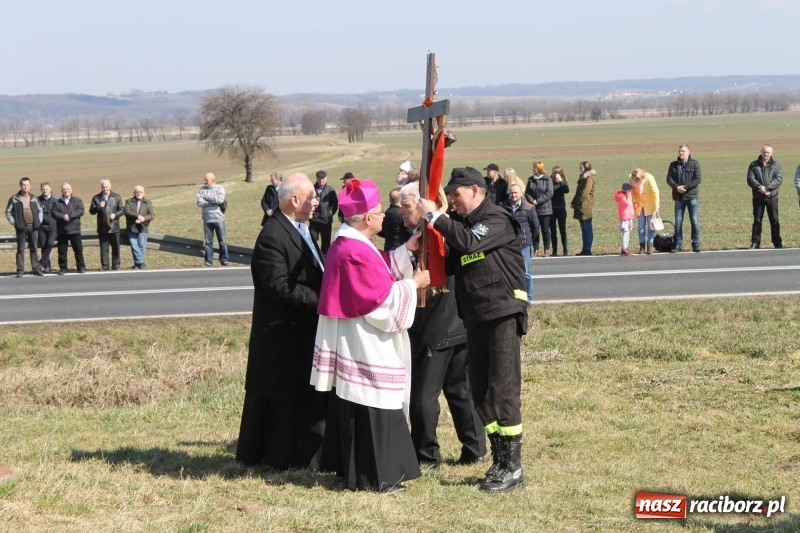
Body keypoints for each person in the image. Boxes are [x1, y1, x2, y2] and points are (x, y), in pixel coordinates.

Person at [310, 178, 430, 493]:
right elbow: (380, 300)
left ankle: (358, 472)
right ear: (365, 219)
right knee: (373, 403)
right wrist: (413, 285)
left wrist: (406, 250)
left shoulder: (350, 243)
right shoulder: (353, 249)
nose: (383, 217)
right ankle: (378, 476)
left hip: (357, 337)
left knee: (357, 404)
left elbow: (379, 271)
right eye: (378, 213)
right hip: (366, 341)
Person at [417, 167, 528, 493]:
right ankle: (498, 461)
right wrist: (422, 244)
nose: (451, 199)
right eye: (448, 194)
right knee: (481, 393)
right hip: (475, 317)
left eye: (456, 194)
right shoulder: (462, 225)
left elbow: (467, 242)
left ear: (477, 190)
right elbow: (448, 261)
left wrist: (437, 218)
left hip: (502, 313)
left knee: (502, 391)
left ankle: (513, 467)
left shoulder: (495, 219)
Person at [236, 173, 329, 470]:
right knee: (284, 400)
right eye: (311, 197)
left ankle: (308, 455)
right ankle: (286, 458)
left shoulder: (302, 228)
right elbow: (277, 286)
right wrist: (323, 302)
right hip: (283, 334)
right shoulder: (272, 235)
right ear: (294, 200)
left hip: (302, 331)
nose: (316, 202)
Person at [398, 181, 486, 468]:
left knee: (425, 395)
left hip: (436, 326)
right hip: (456, 322)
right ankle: (474, 447)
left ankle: (426, 455)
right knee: (459, 390)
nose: (400, 211)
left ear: (423, 207)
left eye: (407, 206)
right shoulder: (433, 232)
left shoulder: (432, 236)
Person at [503, 182, 539, 306]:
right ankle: (514, 298)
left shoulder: (529, 207)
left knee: (526, 273)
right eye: (511, 193)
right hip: (508, 246)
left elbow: (535, 227)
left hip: (524, 245)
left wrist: (530, 241)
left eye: (515, 192)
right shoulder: (503, 208)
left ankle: (527, 299)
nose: (513, 195)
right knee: (510, 272)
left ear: (521, 193)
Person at [666, 145, 702, 252]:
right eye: (679, 151)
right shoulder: (673, 165)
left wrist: (685, 187)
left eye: (683, 151)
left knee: (694, 221)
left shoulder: (694, 164)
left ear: (688, 152)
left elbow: (698, 179)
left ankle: (695, 244)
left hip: (691, 197)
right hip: (679, 197)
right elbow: (669, 178)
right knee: (678, 222)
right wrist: (676, 187)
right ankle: (678, 244)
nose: (681, 153)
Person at [5, 177, 43, 277]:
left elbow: (40, 210)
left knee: (34, 248)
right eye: (23, 185)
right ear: (20, 186)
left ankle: (36, 268)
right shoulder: (14, 198)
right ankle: (20, 270)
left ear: (30, 186)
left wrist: (39, 221)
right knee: (21, 249)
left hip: (33, 227)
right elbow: (8, 212)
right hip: (21, 227)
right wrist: (15, 222)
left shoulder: (34, 198)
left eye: (27, 185)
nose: (25, 187)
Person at [746, 145, 783, 249]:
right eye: (764, 152)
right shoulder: (753, 165)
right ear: (761, 152)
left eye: (768, 152)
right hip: (758, 197)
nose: (766, 154)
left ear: (771, 153)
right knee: (757, 220)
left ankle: (777, 242)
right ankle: (755, 242)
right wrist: (759, 187)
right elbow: (750, 179)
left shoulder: (776, 165)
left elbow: (779, 179)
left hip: (772, 197)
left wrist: (768, 188)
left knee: (774, 220)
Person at [89, 179, 124, 271]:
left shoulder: (116, 197)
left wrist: (115, 215)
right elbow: (91, 211)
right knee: (104, 248)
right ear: (101, 187)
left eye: (107, 187)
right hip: (102, 227)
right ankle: (105, 265)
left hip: (114, 227)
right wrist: (98, 206)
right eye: (103, 187)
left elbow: (122, 210)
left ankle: (116, 265)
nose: (105, 189)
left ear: (110, 186)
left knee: (116, 247)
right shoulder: (96, 198)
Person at [52, 182, 86, 274]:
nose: (66, 191)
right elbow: (54, 213)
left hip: (75, 230)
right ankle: (63, 268)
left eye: (68, 189)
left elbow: (81, 211)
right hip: (62, 231)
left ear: (71, 190)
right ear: (61, 191)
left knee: (78, 250)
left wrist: (70, 216)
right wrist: (62, 216)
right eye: (64, 190)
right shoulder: (56, 202)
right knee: (62, 251)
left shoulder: (77, 200)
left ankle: (81, 267)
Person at [196, 172, 229, 266]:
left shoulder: (219, 188)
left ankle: (224, 259)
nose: (204, 181)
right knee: (208, 242)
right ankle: (208, 261)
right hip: (207, 219)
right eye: (204, 179)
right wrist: (212, 202)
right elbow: (199, 202)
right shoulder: (202, 189)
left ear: (212, 180)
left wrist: (206, 197)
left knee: (222, 241)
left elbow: (220, 200)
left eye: (206, 180)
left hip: (218, 218)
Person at [525, 160, 553, 257]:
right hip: (533, 209)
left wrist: (538, 201)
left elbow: (549, 193)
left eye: (535, 167)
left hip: (545, 209)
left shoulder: (547, 179)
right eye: (533, 167)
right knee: (535, 229)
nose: (534, 169)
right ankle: (535, 249)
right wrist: (532, 201)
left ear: (540, 168)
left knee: (545, 230)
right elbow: (527, 193)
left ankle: (547, 249)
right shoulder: (530, 180)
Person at [629, 168, 661, 255]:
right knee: (640, 226)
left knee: (651, 225)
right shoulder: (631, 179)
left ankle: (650, 245)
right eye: (634, 179)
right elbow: (632, 192)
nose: (635, 180)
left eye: (637, 179)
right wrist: (634, 201)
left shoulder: (649, 178)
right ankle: (642, 246)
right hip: (639, 204)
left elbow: (655, 192)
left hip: (650, 204)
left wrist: (656, 206)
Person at [123, 186, 155, 269]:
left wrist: (143, 219)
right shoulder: (129, 201)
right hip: (131, 227)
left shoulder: (147, 203)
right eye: (137, 192)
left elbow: (152, 215)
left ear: (144, 193)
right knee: (134, 245)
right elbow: (126, 211)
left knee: (141, 246)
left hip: (143, 227)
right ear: (134, 193)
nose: (139, 193)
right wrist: (138, 216)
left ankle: (137, 264)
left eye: (141, 192)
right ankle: (141, 263)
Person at [309, 170, 338, 255]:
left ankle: (324, 262)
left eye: (323, 179)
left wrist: (328, 214)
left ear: (326, 178)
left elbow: (334, 205)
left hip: (326, 221)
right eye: (319, 179)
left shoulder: (330, 190)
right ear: (316, 179)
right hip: (314, 220)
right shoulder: (311, 189)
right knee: (311, 240)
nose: (321, 181)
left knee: (326, 244)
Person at [571, 161, 596, 256]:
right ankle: (584, 248)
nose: (580, 168)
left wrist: (576, 202)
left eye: (581, 167)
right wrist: (574, 202)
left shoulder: (589, 179)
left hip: (585, 205)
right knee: (583, 229)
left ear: (586, 167)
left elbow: (584, 193)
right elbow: (578, 192)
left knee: (587, 228)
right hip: (580, 205)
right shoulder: (582, 177)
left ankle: (587, 249)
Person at [378, 187, 411, 251]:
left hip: (388, 248)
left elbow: (381, 231)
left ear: (390, 200)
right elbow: (409, 232)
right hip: (400, 249)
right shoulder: (402, 214)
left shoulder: (387, 212)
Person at [38, 182, 58, 273]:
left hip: (52, 226)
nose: (45, 191)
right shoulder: (38, 200)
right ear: (41, 190)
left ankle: (41, 261)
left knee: (49, 244)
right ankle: (47, 266)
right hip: (41, 227)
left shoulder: (56, 200)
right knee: (43, 246)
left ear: (50, 189)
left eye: (46, 189)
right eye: (43, 189)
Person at [549, 166, 570, 256]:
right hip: (551, 209)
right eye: (553, 173)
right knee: (553, 231)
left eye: (556, 173)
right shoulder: (549, 181)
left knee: (562, 230)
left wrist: (560, 181)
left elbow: (566, 190)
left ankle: (565, 250)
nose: (555, 175)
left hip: (561, 208)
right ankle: (554, 250)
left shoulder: (563, 181)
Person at [614, 183, 634, 256]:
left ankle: (626, 247)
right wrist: (628, 195)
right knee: (625, 233)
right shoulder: (622, 197)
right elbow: (627, 203)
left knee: (628, 233)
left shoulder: (626, 196)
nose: (630, 193)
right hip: (625, 218)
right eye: (629, 191)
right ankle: (624, 248)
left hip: (628, 217)